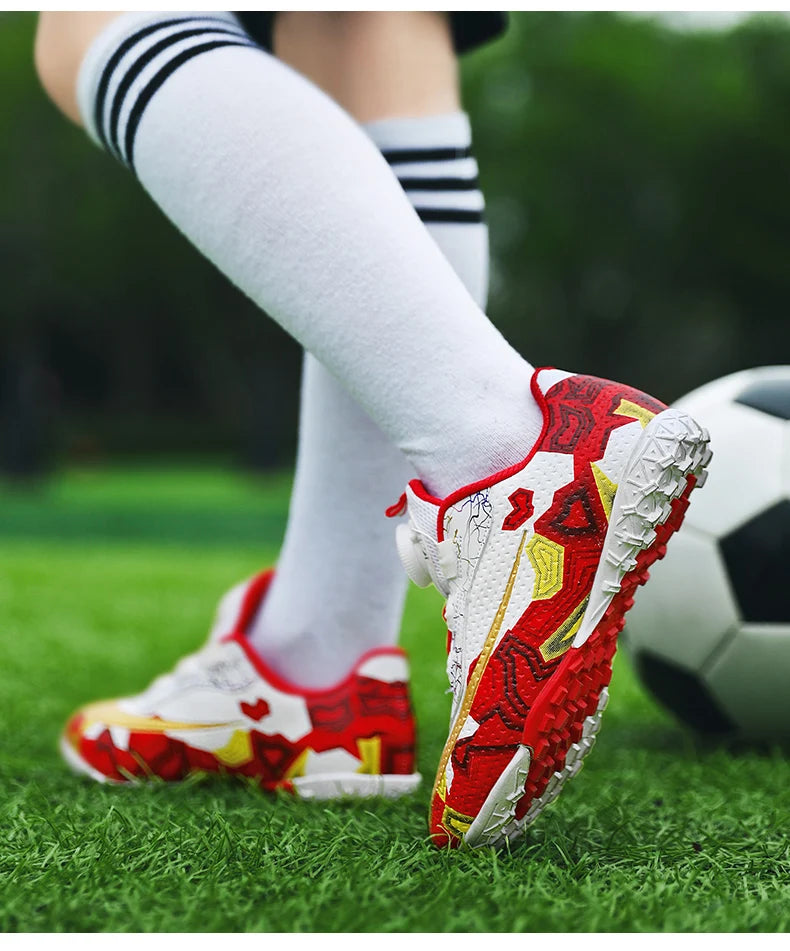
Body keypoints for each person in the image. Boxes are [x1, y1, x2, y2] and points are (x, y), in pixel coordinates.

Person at [34, 11, 710, 850]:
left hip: (529, 457)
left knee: (86, 27)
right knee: (369, 39)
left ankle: (507, 452)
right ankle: (318, 667)